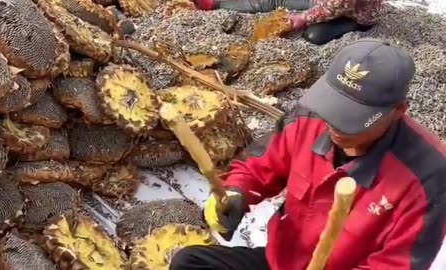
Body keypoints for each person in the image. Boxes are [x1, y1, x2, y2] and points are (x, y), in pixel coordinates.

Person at [169, 38, 446, 270]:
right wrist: (236, 193)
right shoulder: (309, 118)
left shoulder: (430, 176)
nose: (334, 125)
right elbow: (255, 166)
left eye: (351, 117)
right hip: (284, 261)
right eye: (333, 107)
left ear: (398, 110)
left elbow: (396, 265)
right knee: (190, 264)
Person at [192, 0, 383, 45]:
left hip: (354, 16)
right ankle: (214, 3)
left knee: (312, 36)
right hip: (323, 2)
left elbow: (335, 6)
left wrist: (303, 18)